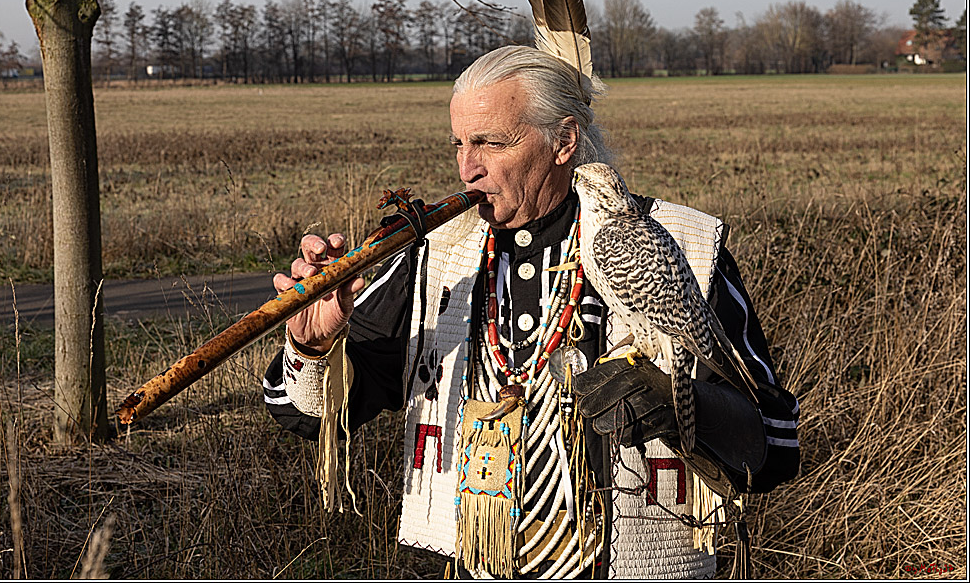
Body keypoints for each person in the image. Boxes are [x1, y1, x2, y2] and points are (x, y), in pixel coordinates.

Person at [263, 45, 800, 579]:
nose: (467, 169)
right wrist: (312, 345)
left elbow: (775, 443)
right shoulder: (433, 252)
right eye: (459, 144)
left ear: (563, 141)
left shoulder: (678, 244)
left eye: (492, 143)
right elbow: (306, 414)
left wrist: (679, 405)